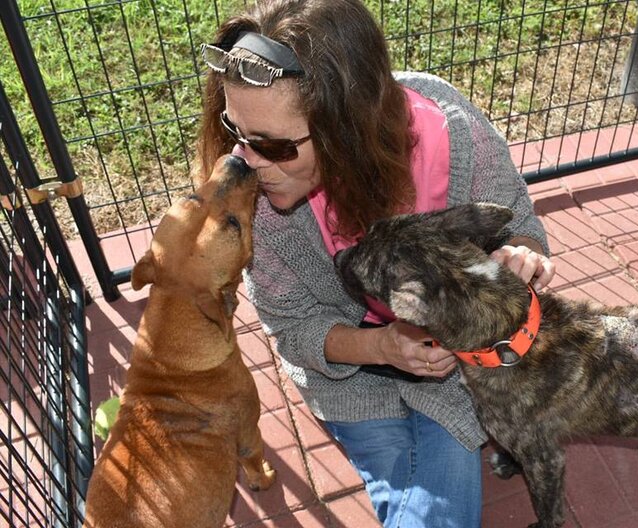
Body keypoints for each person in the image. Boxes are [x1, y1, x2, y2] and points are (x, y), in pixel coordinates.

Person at [195, 1, 555, 526]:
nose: (245, 160)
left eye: (273, 145)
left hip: (452, 366)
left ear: (346, 128)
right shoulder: (257, 198)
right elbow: (293, 327)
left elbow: (517, 220)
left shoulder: (451, 130)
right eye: (236, 129)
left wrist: (521, 256)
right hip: (349, 374)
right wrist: (382, 346)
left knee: (443, 510)